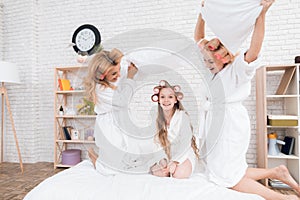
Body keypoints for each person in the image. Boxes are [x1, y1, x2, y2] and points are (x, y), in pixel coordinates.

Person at [194, 0, 300, 199]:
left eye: (209, 60)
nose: (206, 64)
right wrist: (202, 14)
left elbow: (254, 48)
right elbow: (198, 37)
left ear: (223, 58)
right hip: (217, 122)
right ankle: (277, 173)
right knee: (223, 170)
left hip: (230, 124)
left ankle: (283, 198)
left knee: (228, 177)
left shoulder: (238, 70)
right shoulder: (213, 72)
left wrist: (261, 16)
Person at [84, 48, 139, 174]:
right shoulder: (101, 89)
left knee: (130, 156)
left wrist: (128, 67)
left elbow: (122, 69)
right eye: (114, 74)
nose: (118, 75)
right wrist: (130, 77)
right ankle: (94, 157)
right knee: (112, 168)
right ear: (102, 76)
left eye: (118, 70)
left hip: (121, 120)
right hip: (109, 125)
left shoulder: (112, 77)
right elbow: (123, 102)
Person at [149, 80, 200, 179]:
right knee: (159, 173)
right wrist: (162, 161)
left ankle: (178, 166)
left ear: (176, 100)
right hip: (167, 155)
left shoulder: (182, 117)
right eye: (162, 97)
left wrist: (175, 161)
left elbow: (185, 142)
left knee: (179, 174)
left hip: (183, 155)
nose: (166, 100)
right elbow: (157, 144)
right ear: (158, 100)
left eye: (170, 97)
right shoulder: (157, 119)